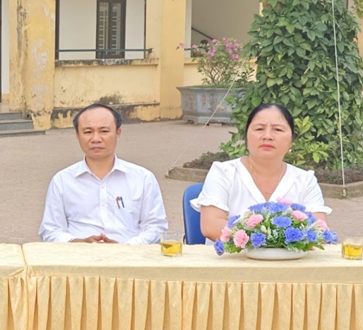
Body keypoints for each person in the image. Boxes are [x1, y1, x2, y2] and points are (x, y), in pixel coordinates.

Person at [192, 102, 330, 241]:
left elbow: (320, 232)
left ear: (291, 141)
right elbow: (211, 226)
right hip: (229, 256)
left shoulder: (305, 181)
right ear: (246, 137)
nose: (267, 136)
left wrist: (267, 242)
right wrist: (269, 241)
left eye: (278, 129)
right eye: (259, 129)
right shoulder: (224, 173)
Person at [40, 103, 168, 243]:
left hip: (130, 254)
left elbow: (156, 227)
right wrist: (77, 242)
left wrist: (127, 247)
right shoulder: (62, 181)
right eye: (88, 132)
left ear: (118, 133)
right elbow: (50, 230)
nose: (96, 139)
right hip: (78, 254)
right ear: (77, 135)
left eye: (104, 131)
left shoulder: (143, 178)